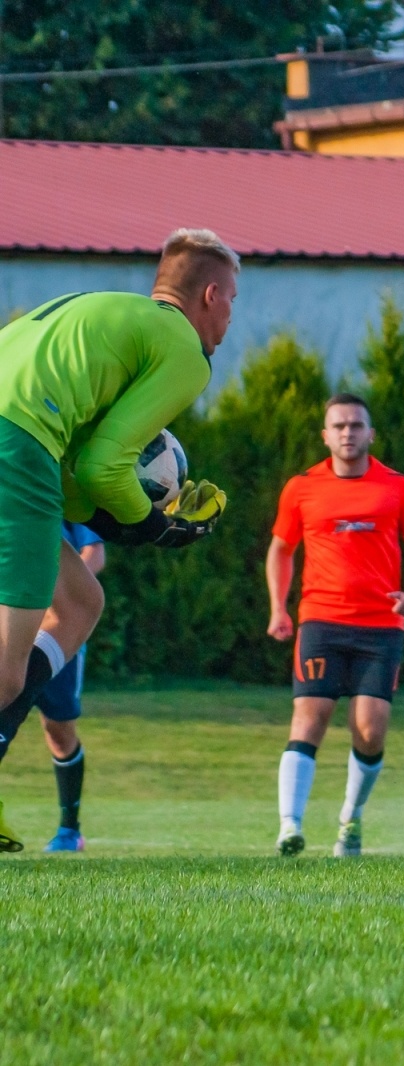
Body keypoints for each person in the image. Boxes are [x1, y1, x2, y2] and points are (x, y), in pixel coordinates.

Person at [0, 228, 233, 851]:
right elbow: (106, 469)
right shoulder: (185, 350)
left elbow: (77, 477)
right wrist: (159, 526)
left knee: (79, 603)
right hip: (14, 446)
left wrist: (118, 519)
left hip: (22, 447)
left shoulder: (108, 312)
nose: (230, 318)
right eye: (233, 301)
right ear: (211, 294)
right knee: (6, 666)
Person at [266, 394, 404, 857]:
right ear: (325, 435)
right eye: (338, 425)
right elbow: (281, 549)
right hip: (320, 620)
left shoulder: (397, 487)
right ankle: (289, 827)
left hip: (381, 626)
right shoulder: (301, 488)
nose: (347, 432)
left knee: (371, 727)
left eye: (356, 425)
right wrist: (279, 608)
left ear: (370, 433)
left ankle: (350, 820)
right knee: (310, 717)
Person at [33, 523, 106, 853]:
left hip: (56, 631)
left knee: (58, 730)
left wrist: (63, 591)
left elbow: (95, 554)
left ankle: (68, 830)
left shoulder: (67, 494)